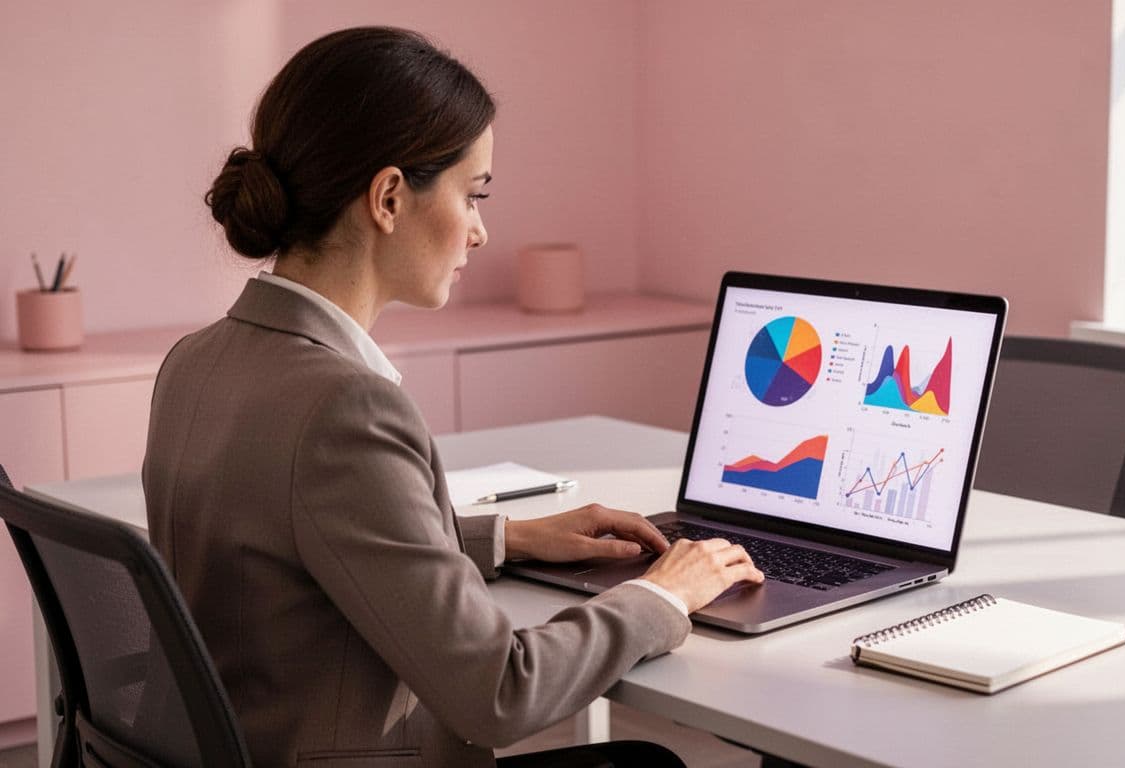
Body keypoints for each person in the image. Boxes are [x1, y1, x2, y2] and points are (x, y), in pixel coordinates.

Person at [142, 26, 763, 768]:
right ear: (389, 198)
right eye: (473, 195)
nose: (480, 231)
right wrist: (664, 596)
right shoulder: (344, 408)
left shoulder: (197, 361)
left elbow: (293, 545)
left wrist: (508, 539)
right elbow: (498, 692)